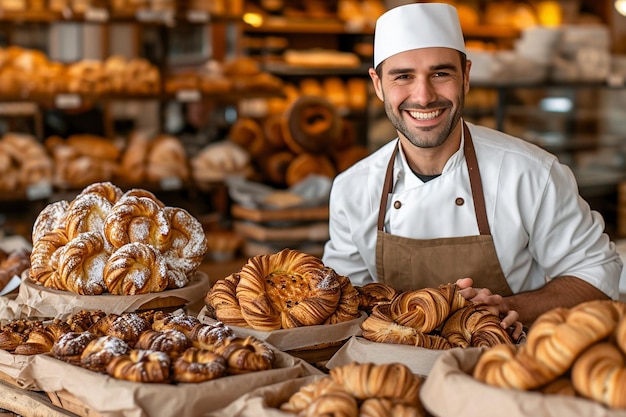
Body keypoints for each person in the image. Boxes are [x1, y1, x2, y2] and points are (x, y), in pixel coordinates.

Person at [321, 2, 622, 334]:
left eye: (440, 73)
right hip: (387, 374)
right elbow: (340, 302)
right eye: (403, 76)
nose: (423, 96)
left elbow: (598, 274)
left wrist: (512, 308)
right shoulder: (353, 188)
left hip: (504, 369)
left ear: (465, 77)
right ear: (378, 85)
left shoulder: (531, 173)